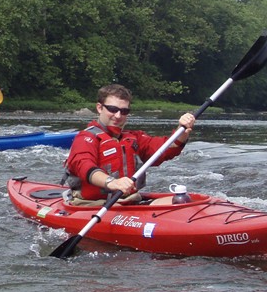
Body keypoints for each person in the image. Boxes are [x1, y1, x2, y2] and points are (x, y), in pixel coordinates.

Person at [64, 83, 196, 206]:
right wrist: (112, 182)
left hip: (129, 202)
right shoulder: (86, 138)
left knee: (184, 201)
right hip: (93, 204)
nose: (118, 115)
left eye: (124, 111)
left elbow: (165, 148)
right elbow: (84, 165)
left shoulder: (134, 138)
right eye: (112, 109)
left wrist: (182, 131)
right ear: (99, 108)